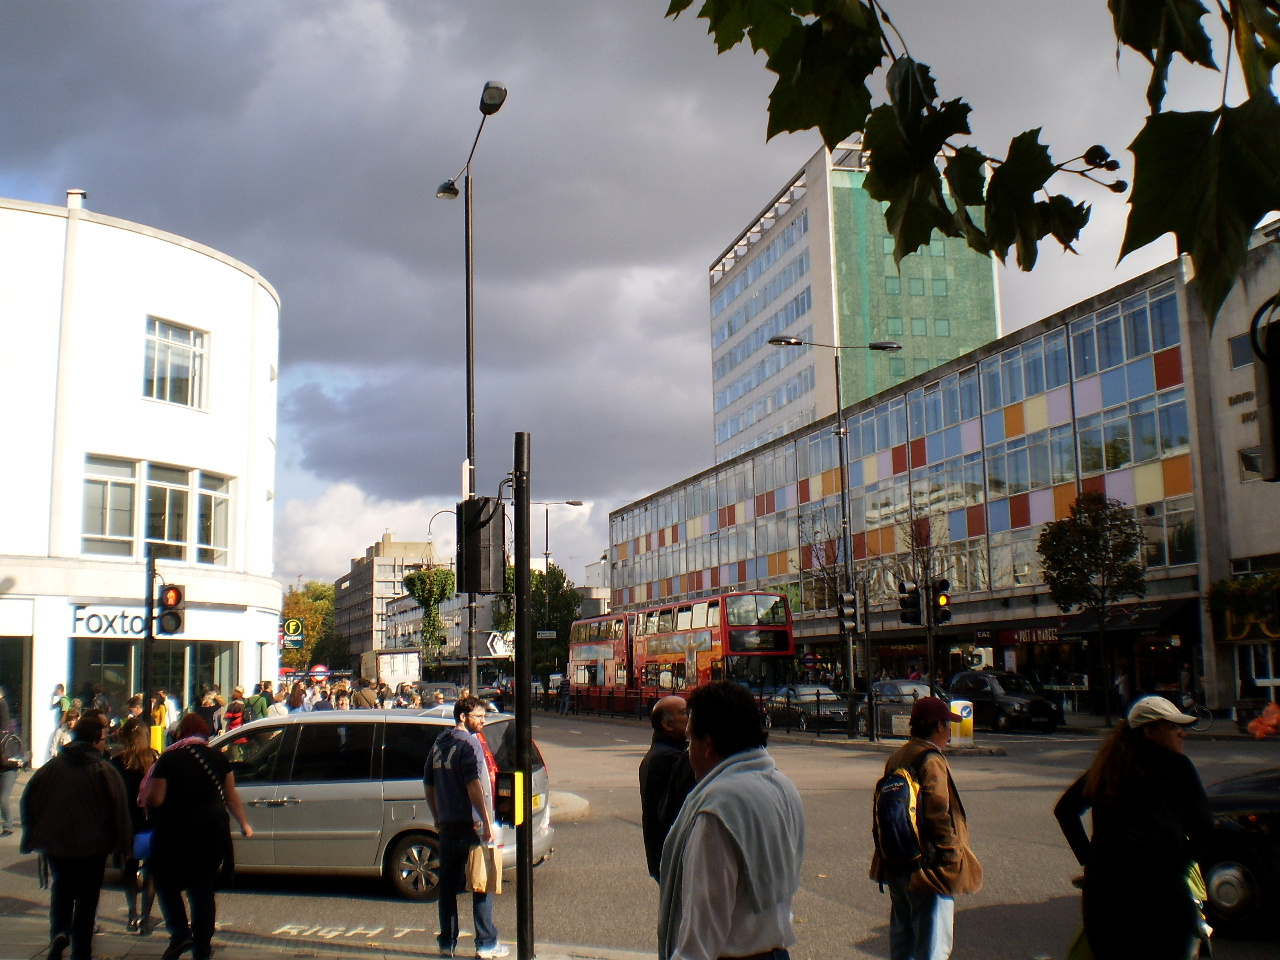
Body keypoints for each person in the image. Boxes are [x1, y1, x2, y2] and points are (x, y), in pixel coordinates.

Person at [1054, 695, 1213, 960]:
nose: (1181, 733)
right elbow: (1205, 829)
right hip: (1160, 896)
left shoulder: (1108, 767)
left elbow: (1066, 810)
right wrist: (1179, 863)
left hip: (1104, 898)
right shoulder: (1176, 766)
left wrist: (1090, 860)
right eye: (1173, 727)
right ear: (1149, 732)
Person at [657, 681, 805, 960]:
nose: (688, 751)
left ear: (708, 744)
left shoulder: (718, 810)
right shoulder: (783, 786)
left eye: (690, 740)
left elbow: (700, 938)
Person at [870, 696, 983, 960]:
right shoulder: (931, 760)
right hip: (927, 866)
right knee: (933, 945)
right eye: (948, 724)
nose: (950, 730)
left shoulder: (898, 756)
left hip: (897, 859)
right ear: (938, 726)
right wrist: (951, 856)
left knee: (903, 941)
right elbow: (938, 813)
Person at [21, 716, 132, 960]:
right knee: (87, 898)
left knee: (61, 889)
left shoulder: (52, 767)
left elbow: (29, 799)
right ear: (95, 741)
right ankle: (81, 949)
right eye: (103, 740)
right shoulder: (103, 770)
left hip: (57, 844)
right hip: (93, 845)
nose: (105, 744)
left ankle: (59, 932)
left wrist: (33, 833)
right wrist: (125, 846)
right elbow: (119, 807)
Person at [143, 713, 252, 960]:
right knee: (202, 889)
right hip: (212, 831)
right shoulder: (219, 758)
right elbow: (231, 795)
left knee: (166, 882)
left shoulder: (169, 758)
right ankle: (202, 948)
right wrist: (244, 823)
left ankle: (180, 933)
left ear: (181, 732)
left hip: (176, 831)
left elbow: (156, 798)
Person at [424, 696, 507, 959]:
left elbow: (428, 782)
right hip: (471, 826)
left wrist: (437, 816)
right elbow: (474, 784)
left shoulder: (439, 744)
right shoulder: (469, 743)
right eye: (478, 716)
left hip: (447, 825)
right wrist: (485, 820)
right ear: (463, 717)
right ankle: (486, 943)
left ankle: (447, 942)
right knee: (481, 884)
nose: (482, 720)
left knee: (448, 888)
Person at [110, 718, 159, 935]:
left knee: (128, 869)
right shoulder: (155, 757)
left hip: (126, 821)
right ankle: (146, 919)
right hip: (151, 820)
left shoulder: (117, 762)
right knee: (151, 870)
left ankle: (132, 914)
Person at [638, 695, 692, 882]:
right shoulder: (668, 759)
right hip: (673, 858)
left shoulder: (663, 754)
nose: (691, 716)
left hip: (665, 858)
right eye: (685, 713)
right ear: (667, 725)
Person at [1, 719, 25, 836]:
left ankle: (8, 826)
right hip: (4, 768)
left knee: (3, 798)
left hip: (9, 770)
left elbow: (16, 760)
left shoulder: (9, 739)